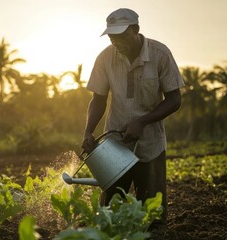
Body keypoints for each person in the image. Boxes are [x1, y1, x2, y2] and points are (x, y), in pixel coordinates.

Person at [81, 8, 184, 231]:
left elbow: (175, 100)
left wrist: (143, 121)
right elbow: (98, 99)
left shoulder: (159, 54)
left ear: (135, 30)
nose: (114, 40)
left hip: (151, 145)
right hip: (115, 147)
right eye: (111, 36)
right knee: (109, 214)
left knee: (153, 217)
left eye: (119, 35)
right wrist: (88, 131)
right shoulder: (105, 57)